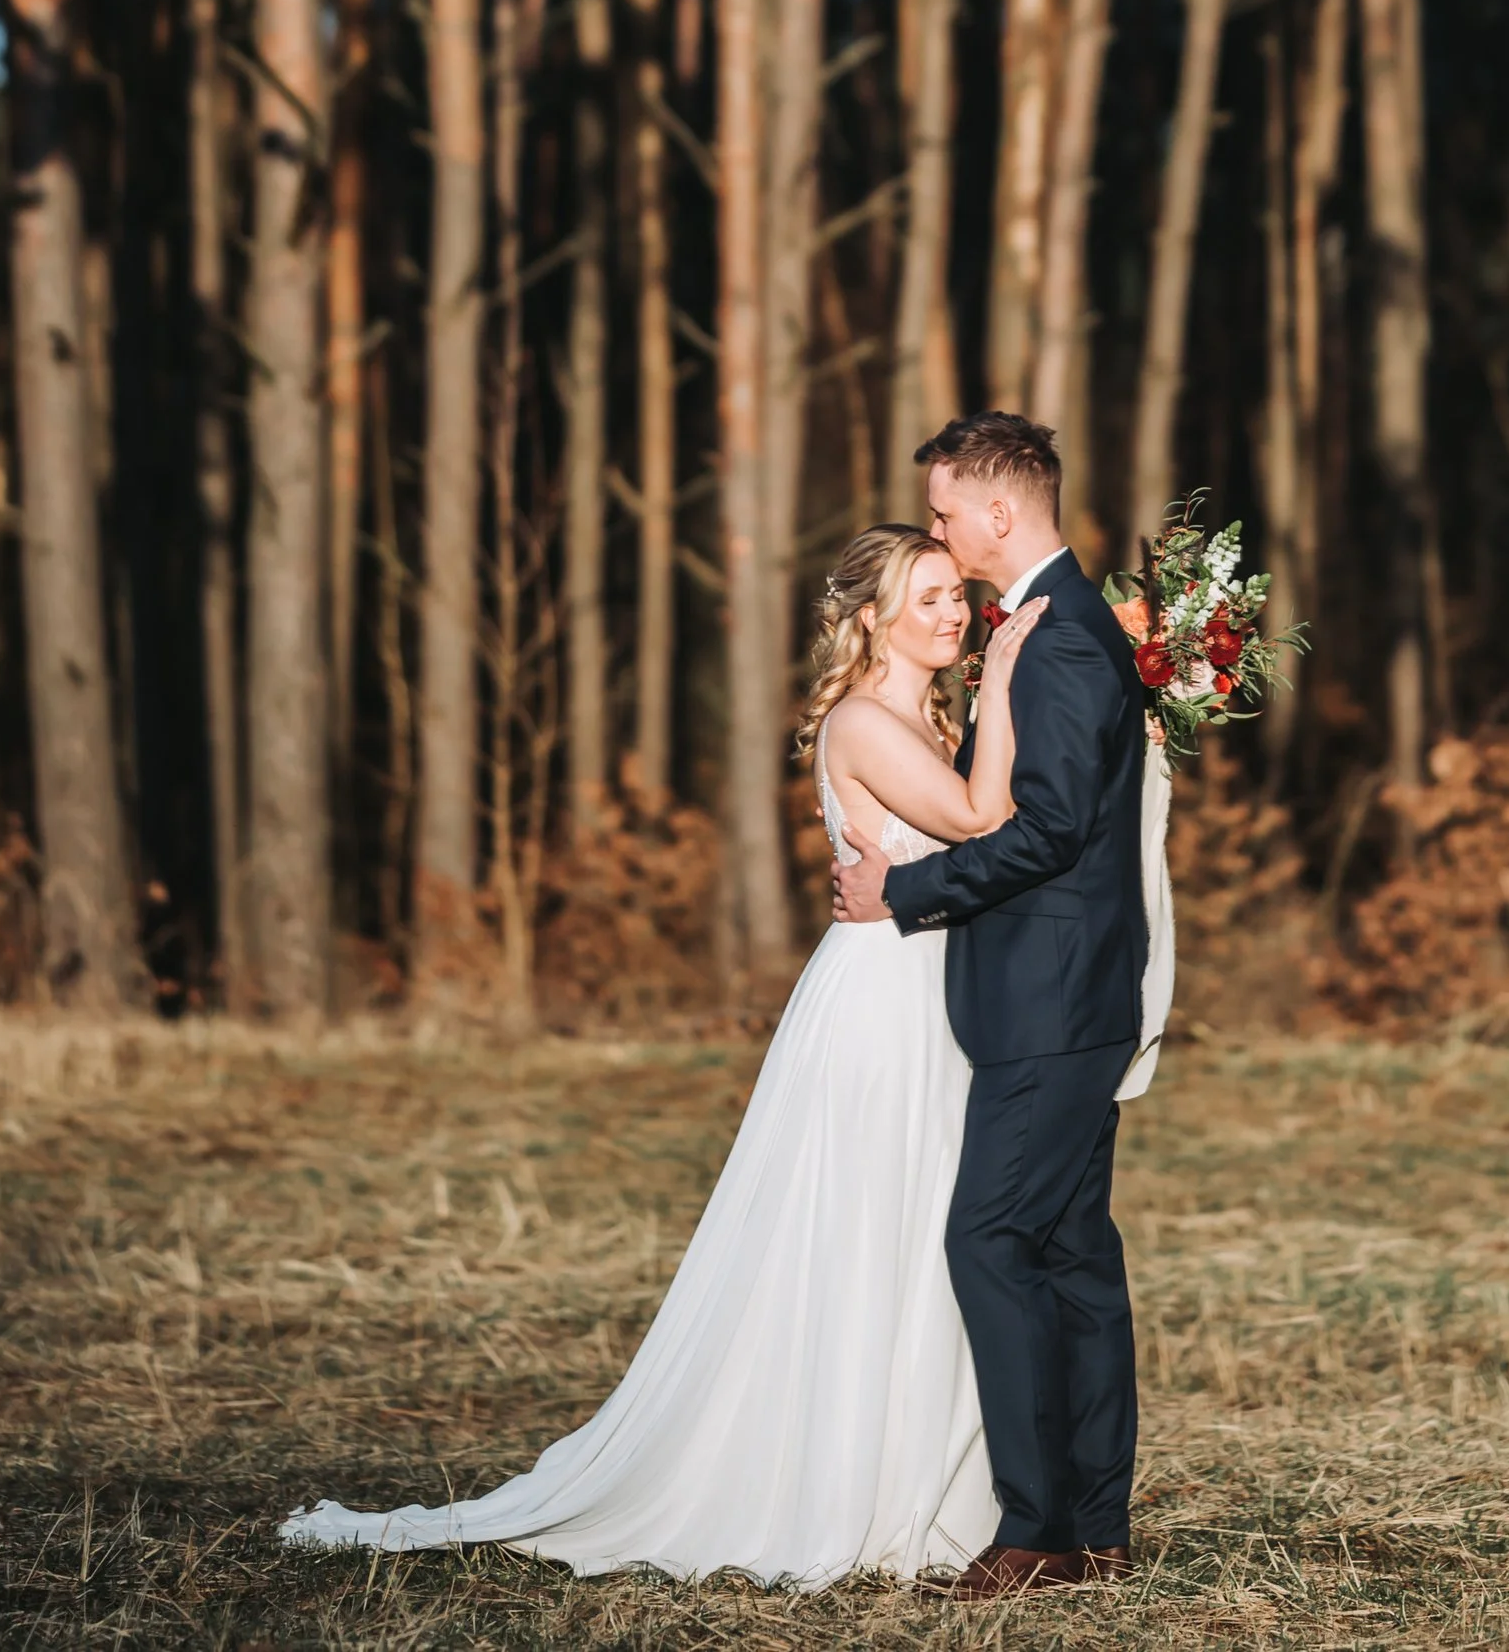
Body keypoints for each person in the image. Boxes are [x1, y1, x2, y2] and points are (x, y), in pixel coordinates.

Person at [279, 521, 1043, 1587]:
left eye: (958, 594)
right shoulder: (867, 721)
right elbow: (980, 813)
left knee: (924, 1231)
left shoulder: (920, 713)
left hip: (931, 995)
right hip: (880, 1007)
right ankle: (835, 1483)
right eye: (929, 598)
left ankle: (921, 1472)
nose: (955, 613)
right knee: (868, 1225)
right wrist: (1005, 682)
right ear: (871, 620)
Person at [832, 411, 1153, 1595]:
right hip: (1075, 992)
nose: (937, 529)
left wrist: (904, 892)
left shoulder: (1059, 640)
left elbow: (1049, 829)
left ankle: (1034, 1532)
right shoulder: (1062, 624)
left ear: (999, 511)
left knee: (991, 1239)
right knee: (1071, 1255)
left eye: (944, 511)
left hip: (1048, 1003)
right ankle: (1091, 1530)